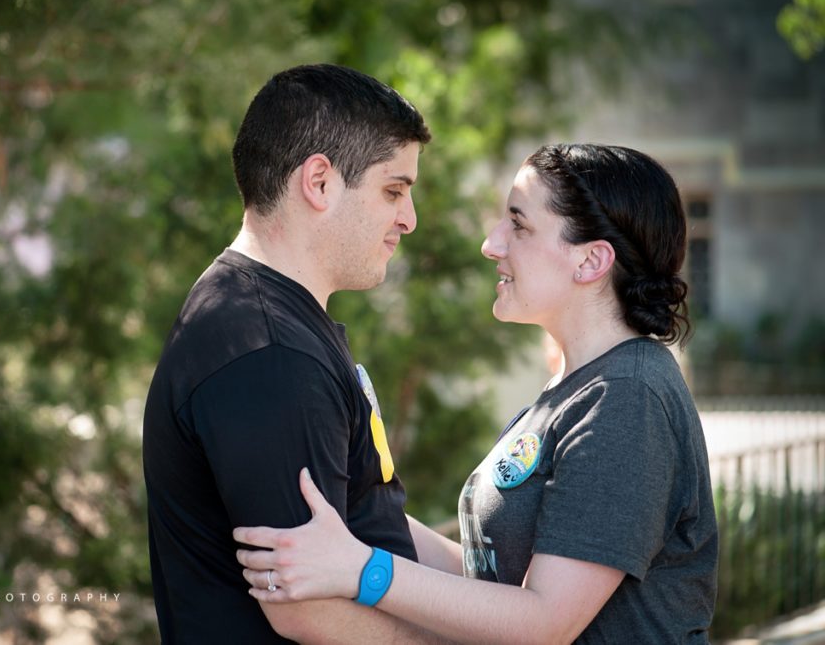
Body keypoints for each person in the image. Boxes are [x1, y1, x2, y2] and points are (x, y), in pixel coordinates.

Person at [234, 143, 719, 644]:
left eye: (519, 225)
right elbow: (486, 579)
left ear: (591, 260)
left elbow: (543, 623)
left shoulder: (627, 399)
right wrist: (354, 517)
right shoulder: (577, 388)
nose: (492, 244)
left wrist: (363, 570)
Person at [143, 64, 446, 643]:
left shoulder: (272, 323)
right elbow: (305, 610)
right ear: (320, 182)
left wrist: (505, 595)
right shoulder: (270, 352)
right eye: (393, 191)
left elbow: (359, 510)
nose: (408, 219)